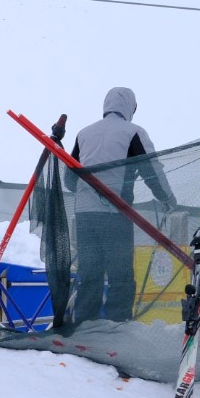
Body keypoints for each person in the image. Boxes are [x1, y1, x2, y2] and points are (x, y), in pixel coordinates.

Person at [66, 87, 176, 323]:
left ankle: (86, 327)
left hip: (85, 217)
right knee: (121, 276)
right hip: (115, 215)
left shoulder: (83, 134)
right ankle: (117, 326)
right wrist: (168, 200)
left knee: (90, 274)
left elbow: (69, 179)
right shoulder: (133, 132)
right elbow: (152, 172)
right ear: (131, 107)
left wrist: (89, 195)